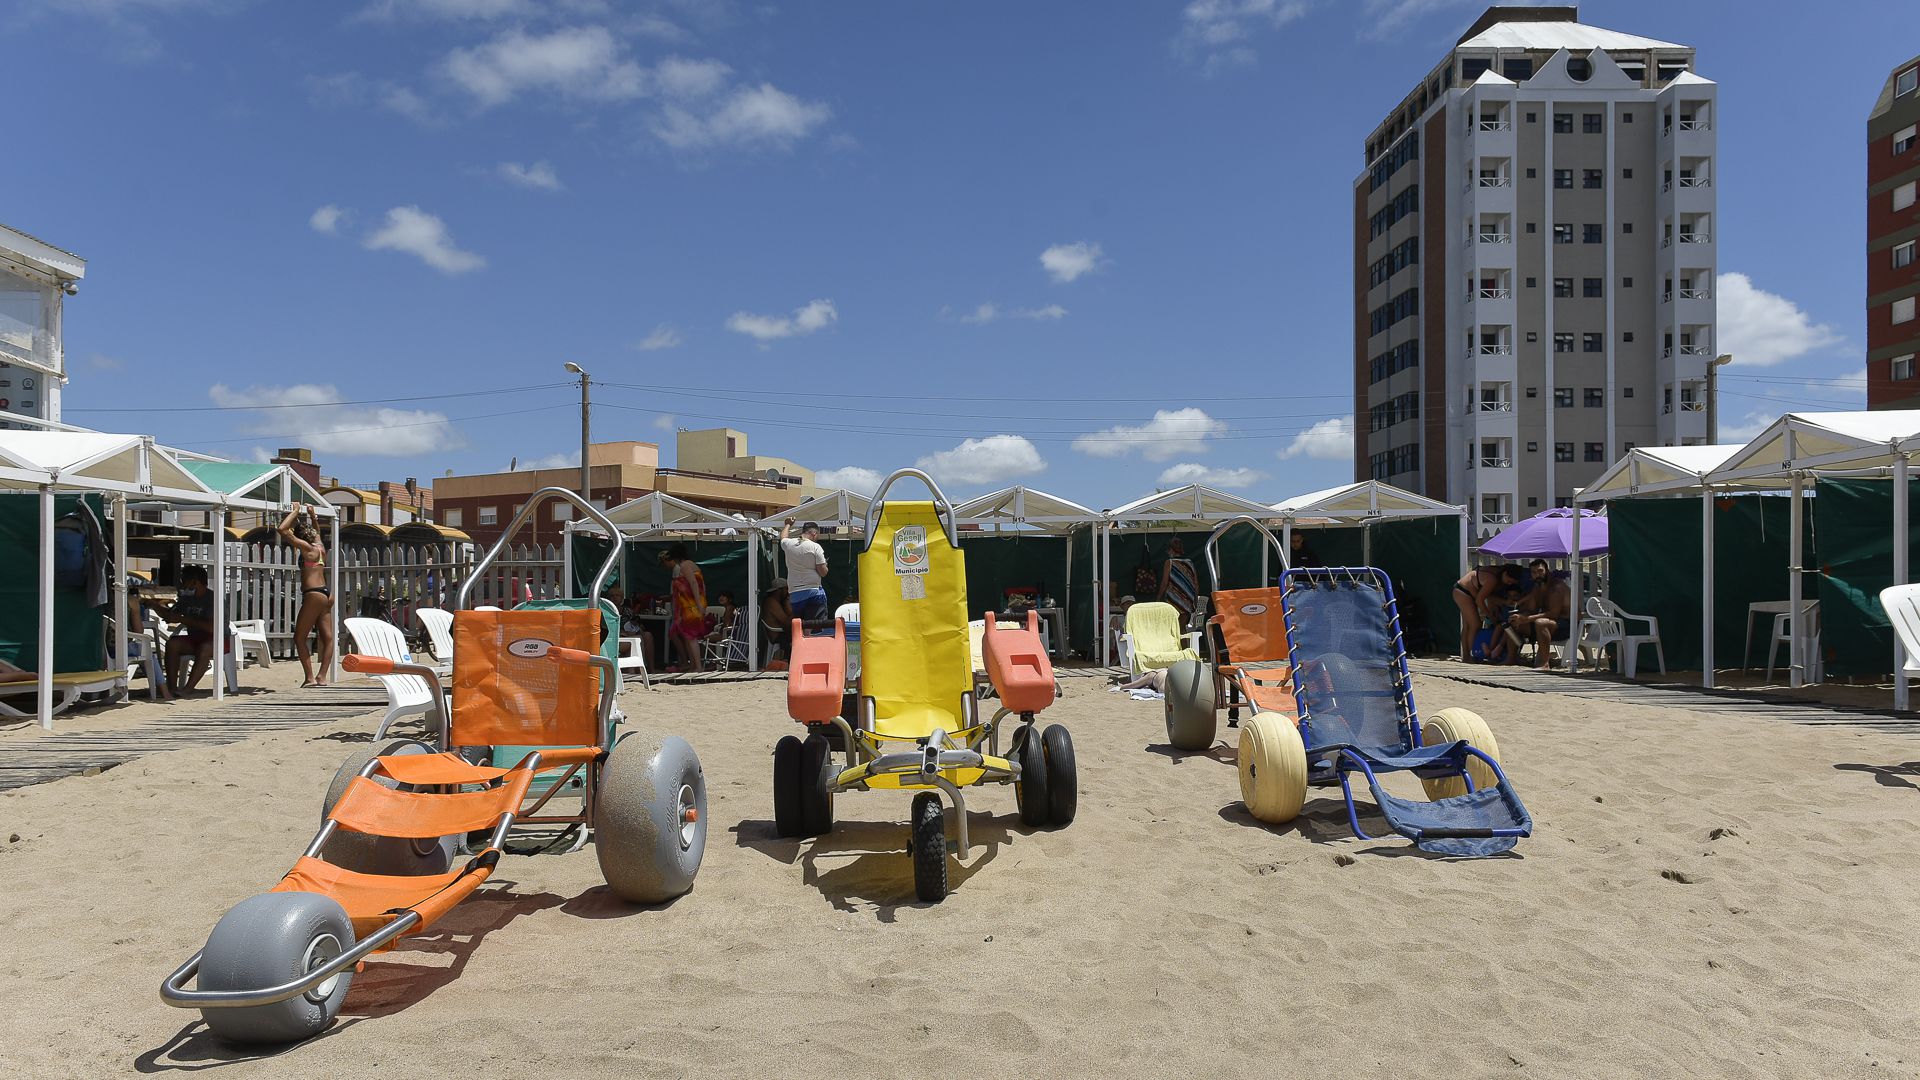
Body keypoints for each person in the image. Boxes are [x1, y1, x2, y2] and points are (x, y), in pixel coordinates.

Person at [278, 503, 335, 687]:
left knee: (299, 637)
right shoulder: (319, 547)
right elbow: (316, 530)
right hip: (327, 593)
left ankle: (310, 677)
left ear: (301, 538)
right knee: (328, 638)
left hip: (313, 594)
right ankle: (322, 676)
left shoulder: (307, 549)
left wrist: (294, 512)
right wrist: (312, 515)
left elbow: (283, 530)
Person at [161, 565, 216, 693]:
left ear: (194, 582)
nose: (183, 585)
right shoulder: (186, 598)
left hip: (217, 639)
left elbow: (211, 627)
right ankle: (172, 688)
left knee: (205, 648)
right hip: (194, 639)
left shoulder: (213, 599)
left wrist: (182, 619)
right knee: (172, 644)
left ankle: (188, 689)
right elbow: (170, 616)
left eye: (184, 581)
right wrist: (155, 605)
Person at [1451, 563, 1521, 662]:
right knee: (1475, 625)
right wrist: (1490, 616)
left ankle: (1467, 656)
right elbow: (1480, 600)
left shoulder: (1493, 572)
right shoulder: (1492, 579)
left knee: (1468, 626)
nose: (1508, 583)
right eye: (1509, 580)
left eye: (1511, 582)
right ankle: (1472, 654)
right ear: (1505, 573)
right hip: (1464, 592)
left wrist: (1502, 603)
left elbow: (1488, 596)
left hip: (1461, 589)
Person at [660, 544, 707, 672]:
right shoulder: (690, 564)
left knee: (691, 636)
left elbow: (693, 583)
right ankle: (693, 665)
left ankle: (698, 666)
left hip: (691, 606)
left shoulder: (685, 565)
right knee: (687, 636)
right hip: (688, 605)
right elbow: (702, 584)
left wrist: (698, 604)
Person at [780, 520, 830, 627]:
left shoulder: (789, 544)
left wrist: (788, 524)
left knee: (799, 625)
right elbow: (823, 572)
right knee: (816, 625)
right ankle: (813, 640)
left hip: (795, 592)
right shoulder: (815, 547)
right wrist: (825, 564)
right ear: (814, 534)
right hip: (813, 591)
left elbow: (783, 537)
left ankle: (799, 641)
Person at [1159, 538, 1200, 624]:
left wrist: (1158, 597)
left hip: (1173, 599)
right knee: (1182, 626)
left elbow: (1164, 583)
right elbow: (1195, 583)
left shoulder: (1169, 562)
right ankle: (1185, 638)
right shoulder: (1190, 563)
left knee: (1173, 626)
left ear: (1171, 550)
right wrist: (1195, 599)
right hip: (1188, 599)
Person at [759, 578, 793, 664]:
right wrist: (788, 604)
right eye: (786, 589)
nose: (788, 592)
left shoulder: (777, 601)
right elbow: (786, 622)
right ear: (779, 590)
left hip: (782, 633)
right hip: (778, 635)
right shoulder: (771, 602)